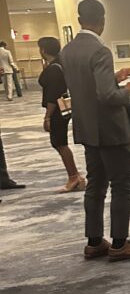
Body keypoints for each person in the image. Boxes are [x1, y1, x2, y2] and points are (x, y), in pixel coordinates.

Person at [59, 0, 130, 262]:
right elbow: (108, 97)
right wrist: (128, 90)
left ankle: (94, 242)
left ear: (79, 20)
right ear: (103, 20)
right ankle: (120, 243)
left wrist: (114, 77)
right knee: (122, 185)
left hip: (87, 128)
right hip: (111, 130)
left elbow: (86, 86)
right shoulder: (100, 50)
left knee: (96, 185)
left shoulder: (68, 50)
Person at [37, 36, 85, 193]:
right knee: (58, 141)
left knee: (59, 142)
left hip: (57, 109)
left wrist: (47, 116)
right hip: (63, 107)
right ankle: (75, 176)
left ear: (43, 50)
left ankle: (74, 177)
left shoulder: (54, 68)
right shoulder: (59, 64)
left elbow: (53, 95)